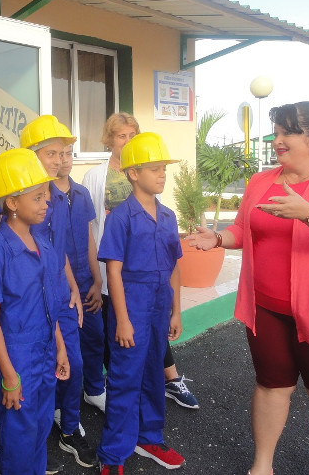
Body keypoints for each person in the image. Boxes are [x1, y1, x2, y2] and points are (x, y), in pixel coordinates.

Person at [186, 101, 309, 475]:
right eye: (276, 132)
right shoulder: (262, 181)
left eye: (287, 132)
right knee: (271, 386)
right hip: (267, 309)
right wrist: (219, 239)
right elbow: (244, 228)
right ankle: (262, 466)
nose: (277, 140)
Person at [82, 113, 198, 411]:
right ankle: (121, 405)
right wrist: (97, 277)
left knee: (150, 334)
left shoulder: (155, 190)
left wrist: (177, 310)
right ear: (109, 140)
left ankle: (163, 386)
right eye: (121, 135)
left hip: (146, 273)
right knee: (122, 335)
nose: (128, 140)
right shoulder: (96, 177)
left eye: (133, 135)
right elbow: (91, 227)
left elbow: (171, 256)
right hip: (115, 268)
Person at [0, 148, 70, 475]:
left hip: (45, 351)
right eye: (38, 197)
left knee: (41, 428)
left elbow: (50, 305)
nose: (46, 203)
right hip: (17, 356)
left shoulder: (42, 245)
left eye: (46, 196)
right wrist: (9, 376)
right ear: (12, 203)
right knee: (18, 436)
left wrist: (60, 346)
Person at [97, 132, 186, 474]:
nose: (162, 174)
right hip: (131, 304)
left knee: (152, 374)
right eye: (154, 169)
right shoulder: (120, 217)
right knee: (124, 377)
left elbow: (175, 266)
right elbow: (113, 273)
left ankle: (148, 437)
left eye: (164, 168)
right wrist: (121, 319)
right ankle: (113, 453)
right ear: (133, 173)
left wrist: (176, 310)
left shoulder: (167, 216)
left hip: (159, 304)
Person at [19, 115, 97, 468]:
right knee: (48, 367)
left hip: (71, 292)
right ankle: (47, 435)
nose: (61, 159)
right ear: (32, 156)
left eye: (66, 152)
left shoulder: (70, 195)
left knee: (76, 361)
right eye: (51, 153)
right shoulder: (28, 201)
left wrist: (85, 285)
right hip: (41, 297)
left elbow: (75, 245)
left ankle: (67, 426)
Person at [55, 141, 104, 418]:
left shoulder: (82, 193)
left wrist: (97, 281)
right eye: (57, 154)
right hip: (60, 285)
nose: (64, 160)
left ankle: (95, 390)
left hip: (85, 281)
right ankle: (60, 406)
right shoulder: (44, 197)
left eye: (68, 153)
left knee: (94, 337)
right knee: (64, 348)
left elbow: (88, 239)